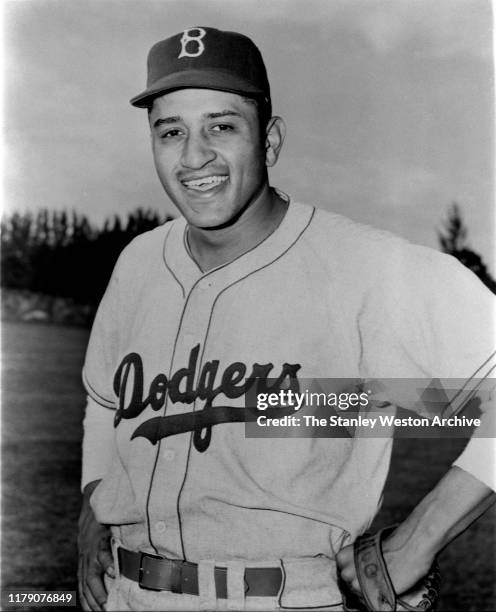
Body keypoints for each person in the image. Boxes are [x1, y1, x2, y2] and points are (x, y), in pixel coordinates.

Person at [78, 27, 496, 612]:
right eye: (171, 132)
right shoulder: (139, 263)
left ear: (270, 141)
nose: (194, 156)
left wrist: (418, 541)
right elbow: (103, 401)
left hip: (286, 598)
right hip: (127, 595)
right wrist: (92, 505)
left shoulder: (363, 267)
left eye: (221, 126)